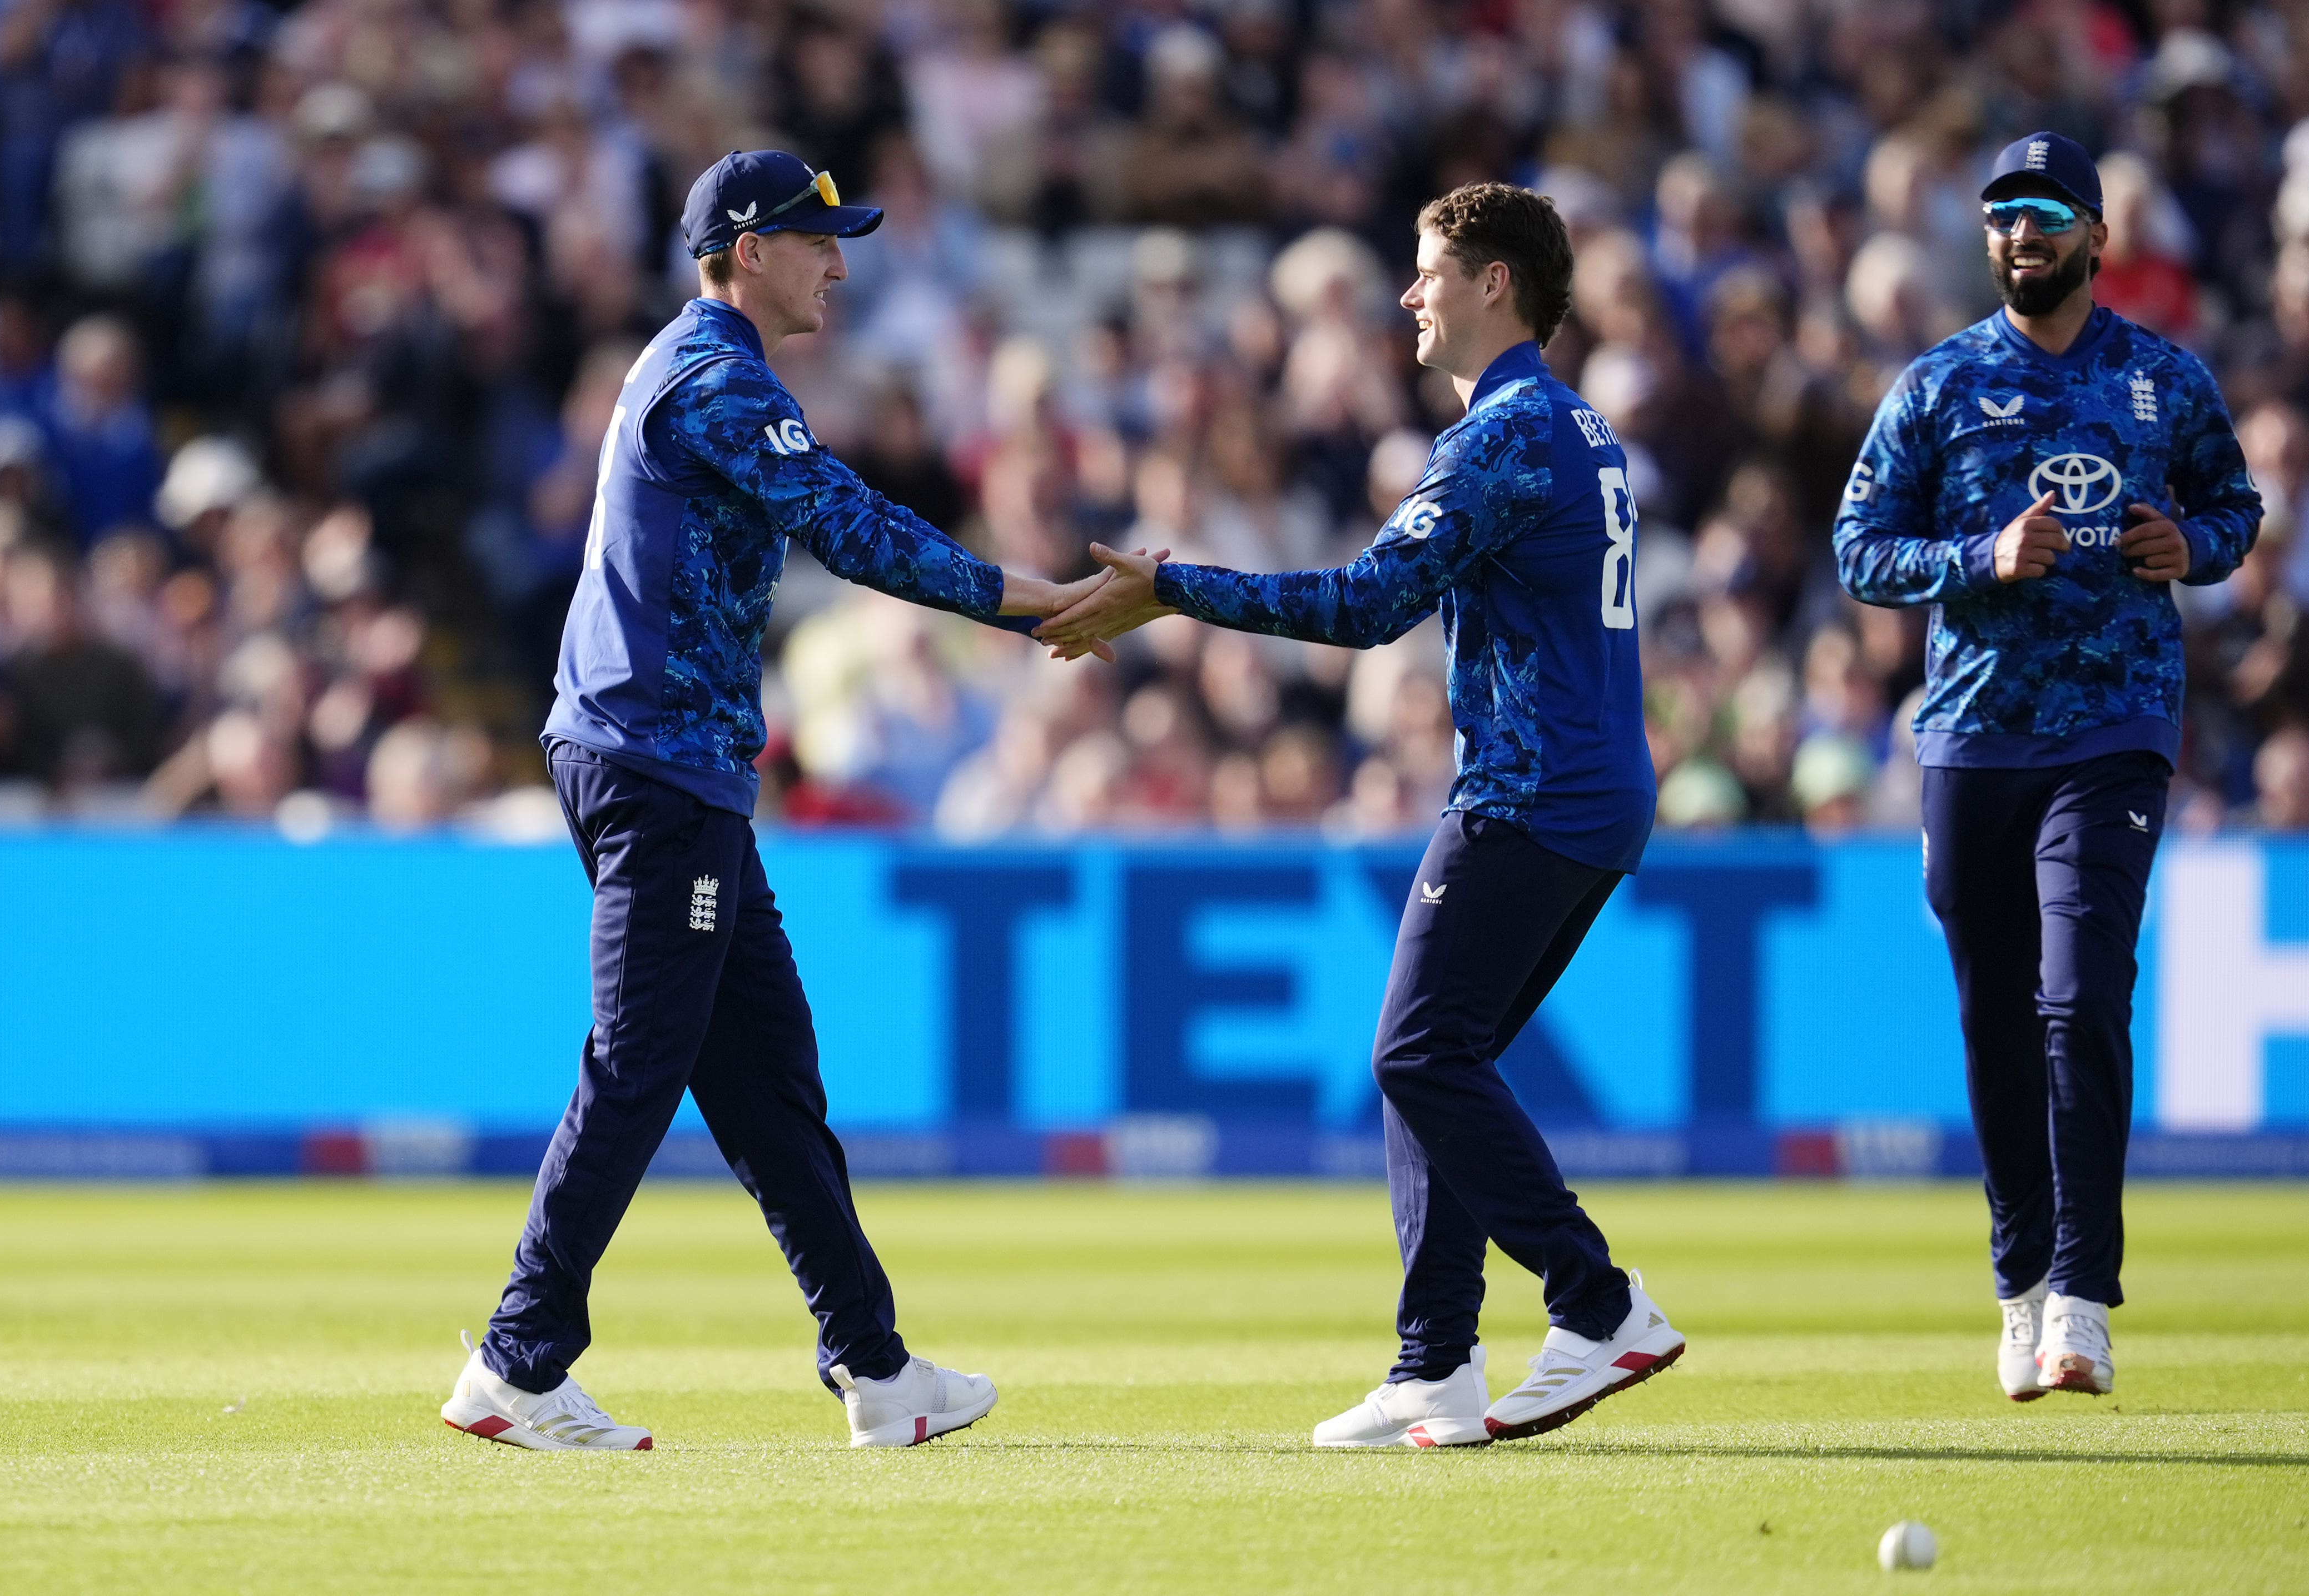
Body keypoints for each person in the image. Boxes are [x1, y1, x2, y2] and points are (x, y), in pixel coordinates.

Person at [441, 151, 1105, 1451]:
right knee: (638, 1062)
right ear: (747, 248)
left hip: (665, 762)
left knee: (767, 1084)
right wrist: (1042, 602)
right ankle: (517, 1360)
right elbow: (858, 532)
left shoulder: (690, 366)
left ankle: (874, 1366)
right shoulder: (716, 382)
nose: (839, 263)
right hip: (659, 762)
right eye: (817, 241)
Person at [1042, 182, 1686, 1448]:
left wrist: (1173, 586)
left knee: (1415, 1054)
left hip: (1530, 786)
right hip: (1590, 781)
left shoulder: (1502, 434)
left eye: (1427, 268)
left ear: (1494, 282)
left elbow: (1363, 605)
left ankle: (1597, 1300)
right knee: (1438, 1060)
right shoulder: (1576, 427)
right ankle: (1434, 1366)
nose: (1408, 293)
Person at [1830, 133, 2260, 1401]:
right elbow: (1860, 548)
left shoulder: (2160, 379)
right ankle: (2019, 1284)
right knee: (1996, 1020)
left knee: (2079, 998)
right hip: (1970, 731)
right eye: (2002, 215)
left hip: (2114, 726)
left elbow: (2235, 510)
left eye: (2045, 214)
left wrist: (2192, 541)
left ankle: (2080, 1295)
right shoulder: (1938, 382)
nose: (2022, 234)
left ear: (2092, 235)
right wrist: (1975, 558)